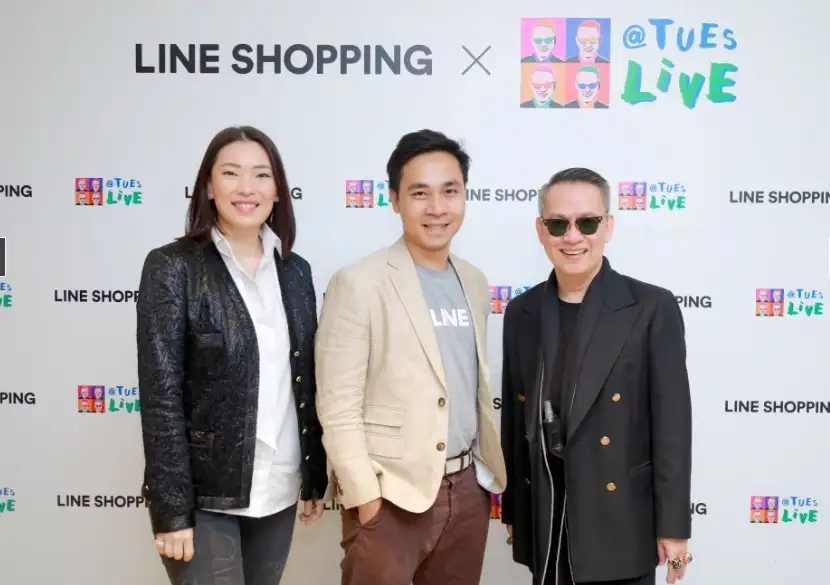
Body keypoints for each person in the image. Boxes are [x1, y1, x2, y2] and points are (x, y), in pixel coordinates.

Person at [136, 126, 327, 585]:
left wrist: (314, 475)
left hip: (278, 488)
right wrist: (172, 510)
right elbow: (161, 399)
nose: (247, 188)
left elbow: (304, 381)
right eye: (230, 173)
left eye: (261, 175)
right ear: (208, 186)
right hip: (205, 497)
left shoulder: (296, 272)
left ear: (278, 190)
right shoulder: (172, 267)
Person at [315, 129, 507, 585]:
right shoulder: (359, 282)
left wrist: (477, 485)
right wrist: (366, 498)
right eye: (420, 193)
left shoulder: (474, 281)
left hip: (467, 490)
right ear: (395, 200)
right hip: (391, 496)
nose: (437, 207)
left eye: (450, 191)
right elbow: (337, 404)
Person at [499, 167, 693, 585]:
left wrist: (673, 528)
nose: (573, 237)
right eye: (558, 224)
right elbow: (515, 422)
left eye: (587, 222)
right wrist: (515, 509)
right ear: (541, 230)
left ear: (608, 227)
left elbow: (672, 428)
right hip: (548, 517)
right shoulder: (521, 312)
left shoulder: (651, 308)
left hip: (620, 520)